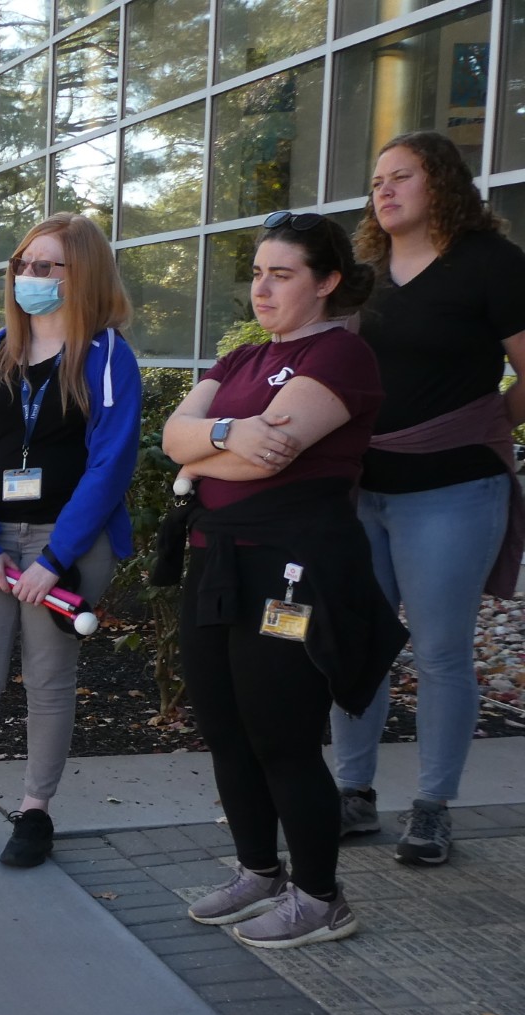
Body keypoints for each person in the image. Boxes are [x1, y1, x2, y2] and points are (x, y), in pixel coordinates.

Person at [159, 214, 404, 949]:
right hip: (217, 561)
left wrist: (199, 458)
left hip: (291, 572)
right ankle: (260, 871)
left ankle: (321, 897)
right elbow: (176, 434)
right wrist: (226, 437)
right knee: (225, 726)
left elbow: (269, 457)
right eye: (258, 272)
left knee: (282, 733)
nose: (262, 287)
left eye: (283, 274)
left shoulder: (341, 356)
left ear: (326, 281)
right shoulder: (241, 361)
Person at [0, 213, 142, 868]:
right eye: (23, 264)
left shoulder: (106, 358)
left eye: (48, 266)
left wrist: (54, 558)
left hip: (63, 544)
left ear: (85, 276)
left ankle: (35, 811)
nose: (30, 277)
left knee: (48, 680)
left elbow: (111, 465)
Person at [331, 132, 525, 865]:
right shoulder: (365, 274)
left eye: (400, 177)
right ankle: (354, 793)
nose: (383, 191)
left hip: (452, 490)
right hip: (363, 489)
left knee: (441, 653)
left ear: (440, 182)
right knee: (358, 644)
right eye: (376, 180)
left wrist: (480, 424)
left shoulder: (492, 264)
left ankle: (433, 807)